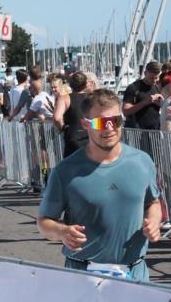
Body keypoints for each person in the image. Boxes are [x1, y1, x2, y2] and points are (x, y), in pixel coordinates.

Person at [37, 89, 161, 283]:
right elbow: (44, 221)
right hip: (84, 274)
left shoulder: (142, 161)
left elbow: (153, 202)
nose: (109, 128)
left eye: (116, 120)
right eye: (102, 122)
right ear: (85, 125)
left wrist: (154, 222)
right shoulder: (65, 170)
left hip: (135, 273)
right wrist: (61, 231)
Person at [54, 71, 89, 157]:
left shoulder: (65, 98)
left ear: (70, 84)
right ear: (85, 84)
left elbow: (57, 118)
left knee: (71, 166)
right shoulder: (92, 97)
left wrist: (62, 128)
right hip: (90, 136)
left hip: (73, 136)